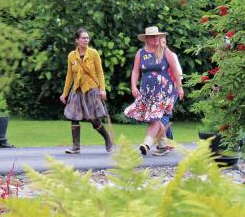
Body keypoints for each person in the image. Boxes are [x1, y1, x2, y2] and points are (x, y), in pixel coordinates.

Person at [124, 25, 183, 156]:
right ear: (147, 39)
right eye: (153, 36)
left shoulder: (165, 51)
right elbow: (135, 71)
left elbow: (175, 71)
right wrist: (134, 86)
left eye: (157, 36)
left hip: (163, 92)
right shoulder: (141, 53)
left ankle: (147, 143)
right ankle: (163, 144)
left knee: (155, 117)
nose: (156, 38)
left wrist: (179, 88)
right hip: (147, 93)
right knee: (152, 118)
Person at [60, 27, 113, 154]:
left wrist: (102, 89)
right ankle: (76, 146)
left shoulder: (93, 53)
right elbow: (69, 75)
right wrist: (65, 93)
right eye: (83, 38)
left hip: (91, 89)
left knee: (94, 119)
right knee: (73, 116)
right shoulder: (71, 56)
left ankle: (107, 138)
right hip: (77, 89)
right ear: (77, 40)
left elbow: (100, 72)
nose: (86, 40)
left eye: (87, 38)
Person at [153, 34, 181, 156]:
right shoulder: (152, 56)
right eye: (160, 42)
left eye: (164, 42)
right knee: (161, 117)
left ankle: (164, 145)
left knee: (162, 117)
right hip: (158, 91)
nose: (161, 44)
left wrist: (179, 88)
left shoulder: (171, 55)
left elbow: (178, 73)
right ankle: (170, 143)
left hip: (171, 90)